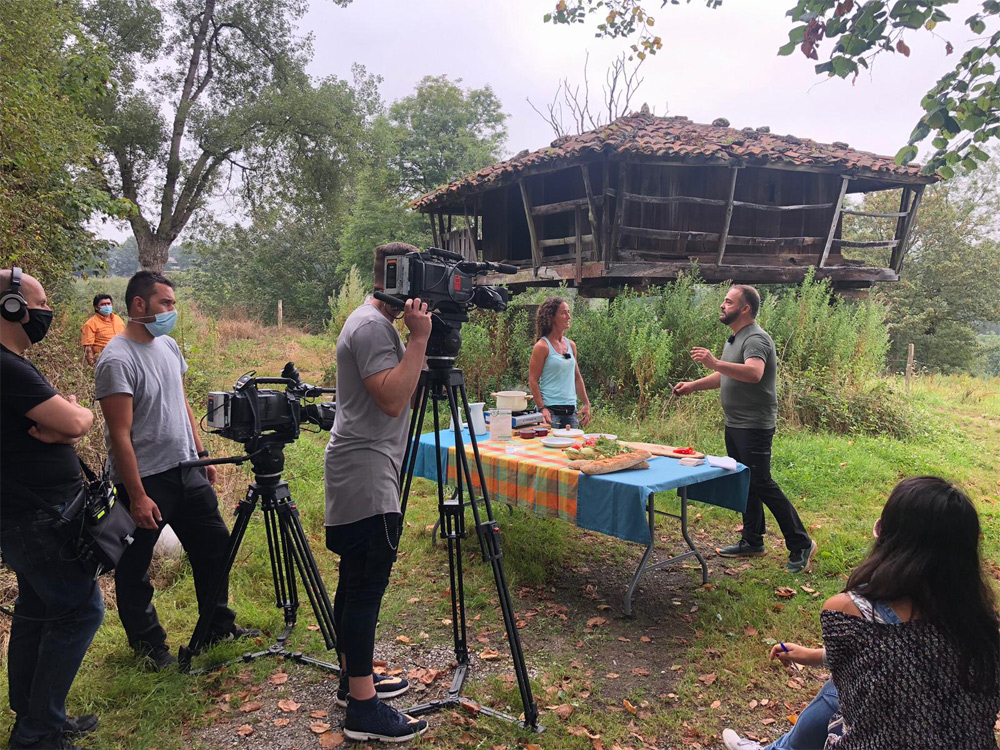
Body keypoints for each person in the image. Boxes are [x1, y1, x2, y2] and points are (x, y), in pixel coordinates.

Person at [723, 476, 1000, 750]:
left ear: (888, 538)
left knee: (835, 693)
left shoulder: (846, 611)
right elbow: (895, 658)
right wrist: (812, 655)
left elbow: (878, 659)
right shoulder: (983, 631)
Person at [94, 270, 258, 671]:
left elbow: (180, 402)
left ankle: (217, 625)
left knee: (215, 547)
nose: (172, 311)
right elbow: (120, 434)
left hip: (186, 468)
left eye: (172, 303)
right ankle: (150, 648)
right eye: (165, 303)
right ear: (139, 304)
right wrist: (136, 495)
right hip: (147, 479)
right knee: (135, 569)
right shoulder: (116, 359)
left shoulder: (167, 346)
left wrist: (201, 454)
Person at [323, 243, 432, 742]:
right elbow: (391, 398)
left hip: (363, 462)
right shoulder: (370, 327)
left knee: (354, 579)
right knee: (367, 583)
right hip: (367, 466)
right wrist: (419, 341)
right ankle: (363, 709)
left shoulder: (370, 324)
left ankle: (353, 678)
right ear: (397, 275)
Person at [1, 268, 104, 750]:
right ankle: (39, 733)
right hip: (36, 516)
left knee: (37, 611)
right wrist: (72, 417)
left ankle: (34, 715)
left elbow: (60, 424)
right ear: (12, 307)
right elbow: (76, 420)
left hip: (30, 513)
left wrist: (63, 422)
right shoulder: (7, 368)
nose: (46, 313)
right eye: (39, 304)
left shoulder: (14, 363)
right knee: (80, 611)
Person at [673, 285, 815, 574]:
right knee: (746, 480)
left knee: (762, 482)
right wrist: (694, 386)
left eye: (728, 301)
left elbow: (754, 373)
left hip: (754, 425)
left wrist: (713, 361)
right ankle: (752, 540)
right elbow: (725, 373)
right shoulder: (735, 338)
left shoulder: (756, 339)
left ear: (745, 308)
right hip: (735, 422)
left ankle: (801, 543)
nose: (722, 305)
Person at [528, 297, 591, 429]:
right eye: (563, 313)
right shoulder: (542, 346)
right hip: (550, 412)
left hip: (571, 412)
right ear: (551, 317)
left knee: (571, 449)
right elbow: (533, 380)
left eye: (569, 312)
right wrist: (542, 408)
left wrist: (586, 403)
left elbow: (577, 377)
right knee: (549, 449)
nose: (568, 317)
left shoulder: (571, 345)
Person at [80, 293, 125, 365]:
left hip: (123, 359)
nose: (107, 306)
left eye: (108, 303)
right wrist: (93, 366)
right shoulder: (90, 324)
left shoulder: (118, 319)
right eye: (103, 304)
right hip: (104, 361)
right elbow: (88, 349)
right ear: (96, 307)